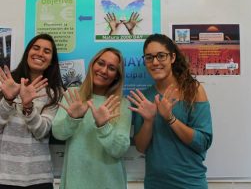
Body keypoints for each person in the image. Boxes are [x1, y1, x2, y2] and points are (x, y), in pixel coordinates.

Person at [128, 33, 213, 189]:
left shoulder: (194, 90)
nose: (155, 62)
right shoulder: (145, 97)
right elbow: (140, 147)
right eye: (149, 57)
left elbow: (203, 142)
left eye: (161, 56)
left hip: (191, 183)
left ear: (172, 58)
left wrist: (171, 119)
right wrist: (148, 121)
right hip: (155, 184)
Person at [52, 47, 132, 189]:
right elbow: (58, 134)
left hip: (110, 183)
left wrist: (103, 126)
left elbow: (119, 150)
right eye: (101, 63)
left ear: (117, 76)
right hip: (75, 182)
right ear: (92, 64)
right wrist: (72, 119)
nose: (104, 70)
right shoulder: (73, 94)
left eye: (112, 68)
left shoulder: (122, 104)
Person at [0, 33, 64, 189]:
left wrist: (28, 107)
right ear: (27, 53)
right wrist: (8, 100)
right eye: (36, 48)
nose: (40, 53)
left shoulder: (56, 92)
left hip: (39, 178)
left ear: (51, 61)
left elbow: (42, 131)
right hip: (4, 176)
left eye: (47, 51)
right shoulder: (6, 84)